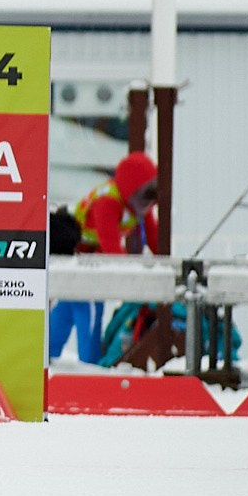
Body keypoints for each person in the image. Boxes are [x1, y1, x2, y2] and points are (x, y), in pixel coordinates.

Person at [52, 151, 159, 365]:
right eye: (147, 192)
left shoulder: (138, 207)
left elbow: (155, 241)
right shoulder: (107, 202)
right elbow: (111, 249)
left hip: (91, 263)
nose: (150, 201)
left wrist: (162, 269)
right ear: (131, 189)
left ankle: (48, 353)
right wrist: (137, 278)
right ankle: (90, 365)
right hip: (81, 264)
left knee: (68, 308)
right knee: (88, 308)